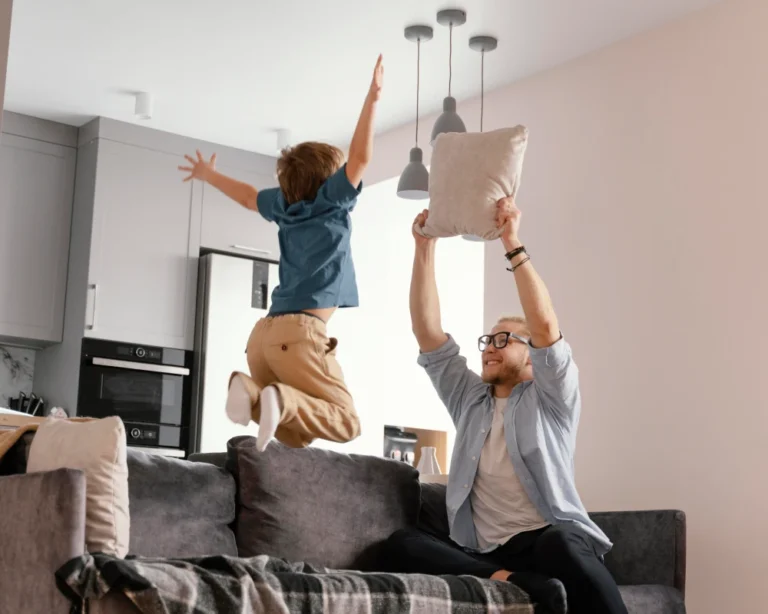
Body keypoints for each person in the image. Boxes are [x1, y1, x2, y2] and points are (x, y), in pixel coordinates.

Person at [379, 198, 627, 614]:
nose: (489, 348)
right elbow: (428, 333)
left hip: (546, 541)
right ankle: (516, 584)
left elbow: (546, 326)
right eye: (487, 341)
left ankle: (540, 580)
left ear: (532, 357)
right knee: (404, 543)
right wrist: (424, 247)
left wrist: (511, 241)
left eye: (504, 340)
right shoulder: (469, 399)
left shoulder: (553, 399)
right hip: (487, 553)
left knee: (562, 540)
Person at [177, 55, 384, 451]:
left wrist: (209, 175)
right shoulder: (333, 203)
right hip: (300, 336)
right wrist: (372, 99)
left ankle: (255, 394)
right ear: (331, 180)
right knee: (346, 421)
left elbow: (246, 197)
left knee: (295, 434)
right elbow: (360, 157)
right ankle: (270, 397)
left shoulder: (285, 207)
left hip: (265, 338)